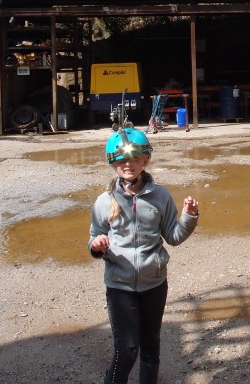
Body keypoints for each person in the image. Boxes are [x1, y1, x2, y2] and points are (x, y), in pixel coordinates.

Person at [89, 127, 199, 384]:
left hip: (154, 283)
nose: (128, 164)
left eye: (135, 158)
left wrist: (189, 218)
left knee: (151, 348)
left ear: (145, 160)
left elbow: (173, 236)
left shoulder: (160, 196)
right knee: (127, 350)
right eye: (122, 159)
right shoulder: (104, 201)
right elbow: (94, 237)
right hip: (120, 286)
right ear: (112, 162)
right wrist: (97, 245)